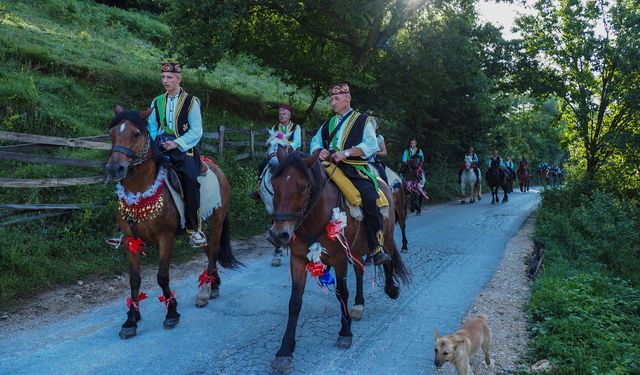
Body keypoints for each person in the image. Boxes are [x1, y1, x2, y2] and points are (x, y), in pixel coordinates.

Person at [310, 82, 391, 266]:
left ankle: (376, 247)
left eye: (337, 98)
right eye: (331, 99)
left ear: (348, 99)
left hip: (354, 169)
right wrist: (320, 150)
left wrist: (346, 153)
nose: (333, 102)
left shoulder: (363, 120)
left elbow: (371, 145)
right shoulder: (328, 123)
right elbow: (315, 141)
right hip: (329, 166)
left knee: (370, 198)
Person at [147, 62, 207, 248]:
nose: (166, 81)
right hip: (161, 148)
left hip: (183, 149)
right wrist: (159, 140)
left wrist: (176, 143)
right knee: (139, 172)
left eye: (170, 77)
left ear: (179, 79)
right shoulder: (156, 101)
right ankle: (133, 227)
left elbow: (196, 130)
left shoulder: (191, 102)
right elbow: (152, 126)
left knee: (190, 179)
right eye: (163, 77)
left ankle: (194, 229)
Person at [250, 104, 302, 201]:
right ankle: (258, 190)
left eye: (284, 114)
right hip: (275, 153)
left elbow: (297, 142)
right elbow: (271, 141)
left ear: (289, 116)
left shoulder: (296, 127)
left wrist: (287, 147)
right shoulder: (275, 128)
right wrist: (268, 151)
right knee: (262, 165)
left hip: (290, 153)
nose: (281, 116)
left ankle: (299, 190)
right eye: (280, 114)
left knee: (299, 168)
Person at [369, 118, 388, 184]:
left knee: (383, 176)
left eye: (373, 124)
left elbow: (384, 152)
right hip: (363, 161)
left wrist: (376, 153)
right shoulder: (364, 136)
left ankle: (387, 190)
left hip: (375, 162)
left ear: (377, 126)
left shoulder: (379, 138)